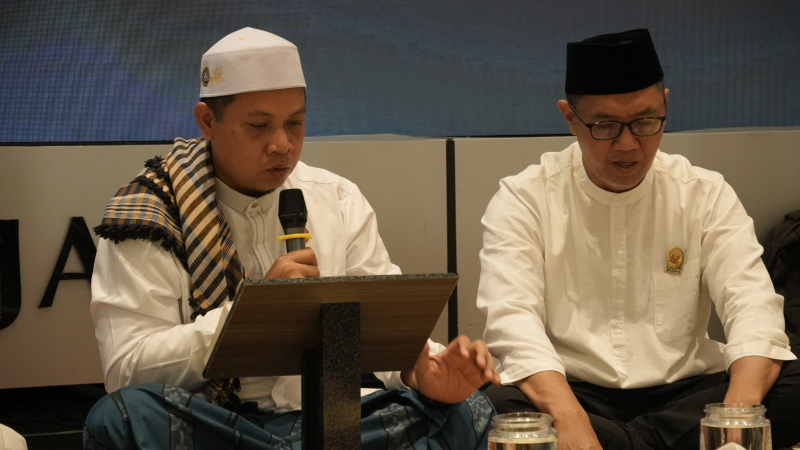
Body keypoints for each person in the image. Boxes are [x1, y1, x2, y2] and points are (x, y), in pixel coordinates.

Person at [84, 27, 498, 450]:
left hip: (337, 420)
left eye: (295, 123)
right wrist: (250, 314)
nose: (282, 145)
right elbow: (127, 370)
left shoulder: (337, 198)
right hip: (220, 426)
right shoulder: (150, 214)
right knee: (121, 418)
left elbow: (383, 327)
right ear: (208, 121)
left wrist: (421, 370)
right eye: (259, 126)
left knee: (471, 411)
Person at [477, 29, 800, 450]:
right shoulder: (524, 198)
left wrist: (736, 421)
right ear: (570, 118)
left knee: (789, 380)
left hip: (684, 392)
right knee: (492, 405)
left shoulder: (704, 193)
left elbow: (752, 308)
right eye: (606, 125)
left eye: (646, 122)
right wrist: (570, 419)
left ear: (666, 105)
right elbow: (512, 324)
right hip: (571, 392)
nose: (628, 144)